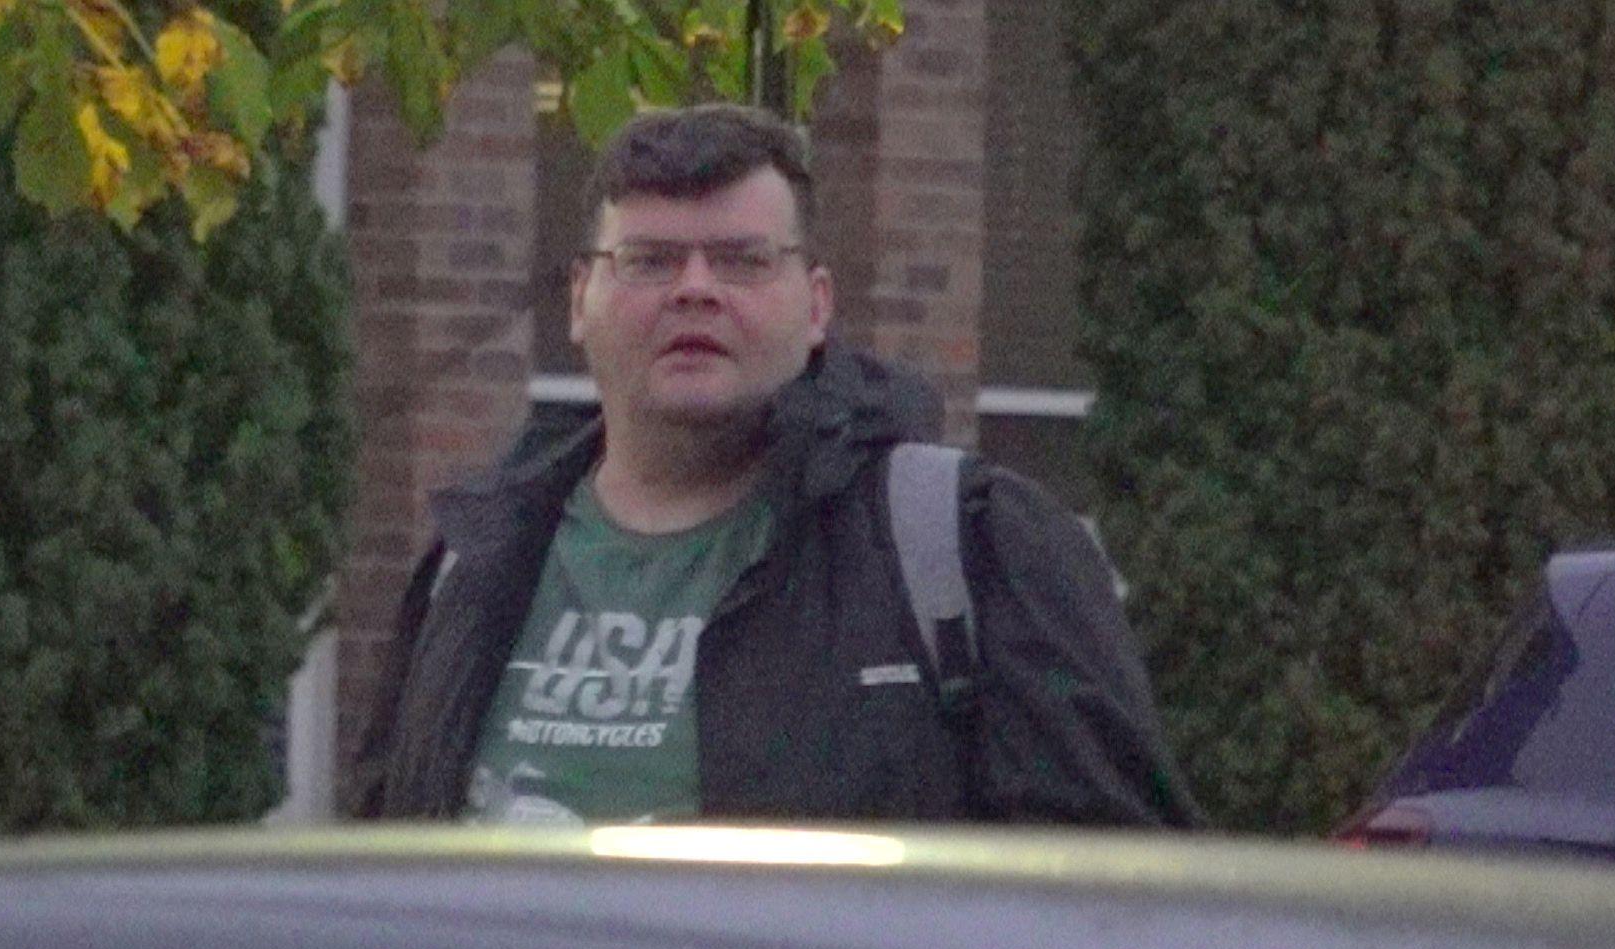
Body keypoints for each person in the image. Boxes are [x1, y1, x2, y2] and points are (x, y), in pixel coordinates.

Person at [350, 103, 1199, 826]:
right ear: (579, 300)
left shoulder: (968, 547)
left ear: (817, 304)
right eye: (648, 261)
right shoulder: (475, 563)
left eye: (742, 260)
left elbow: (1116, 903)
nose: (694, 289)